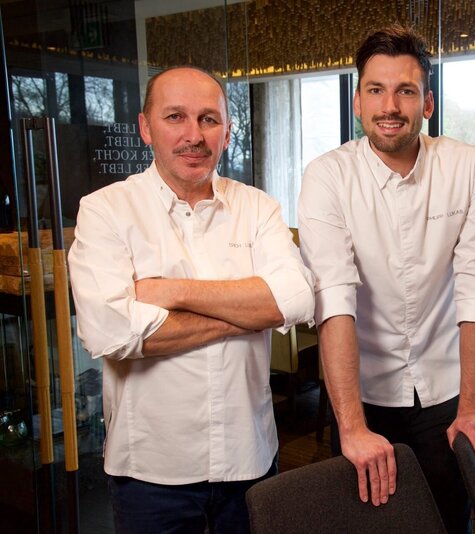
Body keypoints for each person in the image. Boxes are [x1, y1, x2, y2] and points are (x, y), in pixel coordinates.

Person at [68, 66, 315, 534]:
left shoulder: (257, 207)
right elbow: (110, 331)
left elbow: (298, 299)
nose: (194, 135)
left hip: (249, 458)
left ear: (227, 131)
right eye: (175, 117)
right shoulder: (105, 210)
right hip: (150, 473)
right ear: (146, 127)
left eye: (208, 119)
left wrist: (174, 292)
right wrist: (249, 313)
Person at [298, 24, 475, 534]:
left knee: (447, 520)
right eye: (376, 90)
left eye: (406, 91)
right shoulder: (327, 176)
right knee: (368, 524)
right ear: (357, 102)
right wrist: (351, 428)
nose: (389, 106)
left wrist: (473, 409)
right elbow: (334, 299)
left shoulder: (471, 168)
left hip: (446, 390)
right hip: (361, 390)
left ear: (427, 103)